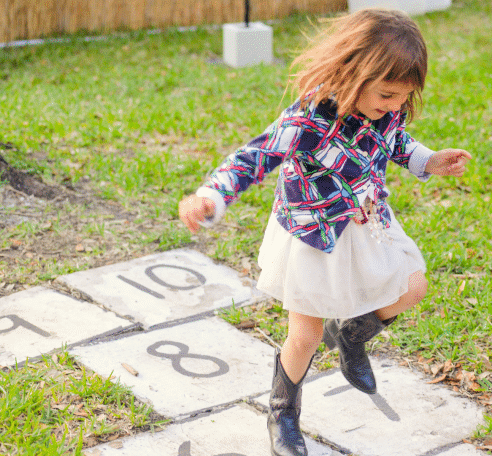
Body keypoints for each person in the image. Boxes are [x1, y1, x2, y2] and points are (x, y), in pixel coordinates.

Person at [178, 8, 470, 456]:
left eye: (402, 98)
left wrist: (428, 159)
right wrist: (210, 197)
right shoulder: (310, 120)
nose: (394, 106)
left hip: (368, 222)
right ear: (355, 72)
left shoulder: (387, 112)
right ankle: (283, 412)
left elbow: (394, 141)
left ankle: (351, 335)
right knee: (306, 335)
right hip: (313, 235)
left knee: (412, 286)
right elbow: (253, 157)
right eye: (387, 94)